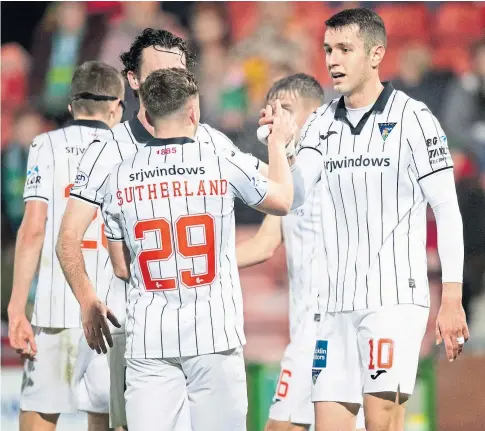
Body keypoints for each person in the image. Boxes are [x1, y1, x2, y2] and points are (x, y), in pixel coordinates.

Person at [260, 8, 468, 431]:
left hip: (391, 300)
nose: (332, 60)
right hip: (335, 306)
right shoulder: (320, 122)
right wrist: (279, 146)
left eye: (343, 49)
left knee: (382, 423)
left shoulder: (415, 119)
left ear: (376, 54)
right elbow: (292, 197)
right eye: (327, 50)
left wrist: (451, 297)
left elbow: (447, 208)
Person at [56, 28, 270, 429]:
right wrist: (87, 299)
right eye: (160, 72)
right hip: (134, 329)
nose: (172, 81)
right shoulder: (106, 151)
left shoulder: (212, 142)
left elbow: (273, 188)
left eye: (179, 71)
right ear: (133, 80)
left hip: (208, 335)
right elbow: (68, 236)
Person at [100, 67, 294, 430]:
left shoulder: (117, 177)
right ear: (194, 111)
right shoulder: (218, 162)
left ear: (148, 114)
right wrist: (279, 143)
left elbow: (121, 268)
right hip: (213, 335)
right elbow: (282, 199)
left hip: (150, 340)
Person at [237, 73, 365, 431]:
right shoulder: (285, 182)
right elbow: (263, 245)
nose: (277, 120)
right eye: (273, 112)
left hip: (334, 330)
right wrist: (210, 265)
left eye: (287, 111)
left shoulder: (338, 165)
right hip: (304, 333)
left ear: (316, 115)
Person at [7, 61, 125, 431]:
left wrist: (16, 307)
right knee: (111, 418)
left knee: (40, 415)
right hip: (115, 311)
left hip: (59, 306)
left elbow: (33, 229)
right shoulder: (130, 150)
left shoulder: (47, 145)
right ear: (116, 106)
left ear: (72, 106)